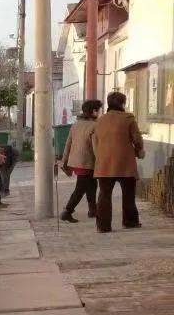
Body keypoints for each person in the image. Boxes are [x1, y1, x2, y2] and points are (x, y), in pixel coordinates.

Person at [93, 92, 144, 233]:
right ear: (122, 104)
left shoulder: (100, 120)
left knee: (104, 194)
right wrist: (139, 150)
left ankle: (103, 226)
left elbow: (95, 141)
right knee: (128, 194)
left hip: (104, 163)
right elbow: (137, 139)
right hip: (125, 162)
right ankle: (130, 222)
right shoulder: (128, 118)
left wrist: (99, 156)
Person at [60, 100, 101, 223]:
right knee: (81, 188)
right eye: (98, 110)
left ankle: (93, 210)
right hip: (87, 162)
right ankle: (67, 211)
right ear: (94, 111)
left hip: (76, 162)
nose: (99, 113)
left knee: (92, 185)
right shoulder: (94, 126)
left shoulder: (76, 124)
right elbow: (96, 147)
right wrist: (101, 161)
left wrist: (64, 160)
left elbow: (68, 144)